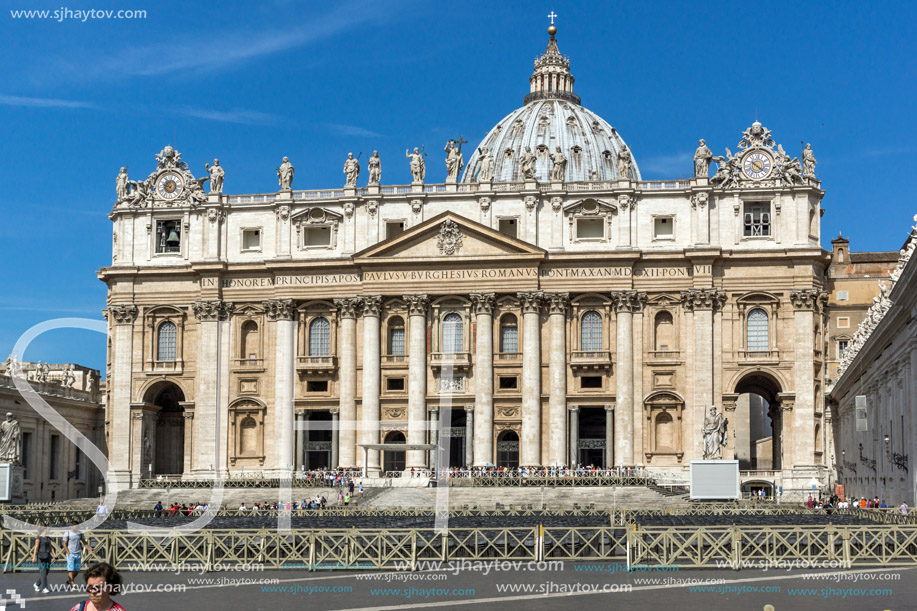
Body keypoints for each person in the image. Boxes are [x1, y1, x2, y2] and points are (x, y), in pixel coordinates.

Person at [63, 521, 93, 591]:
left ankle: (70, 581)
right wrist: (68, 552)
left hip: (78, 553)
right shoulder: (67, 533)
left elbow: (84, 542)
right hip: (71, 553)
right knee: (71, 569)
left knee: (77, 570)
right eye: (75, 527)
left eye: (77, 527)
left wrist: (89, 548)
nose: (76, 528)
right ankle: (73, 584)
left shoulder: (80, 533)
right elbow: (64, 544)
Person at [32, 525, 57, 594]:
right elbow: (36, 548)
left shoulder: (48, 538)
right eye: (48, 529)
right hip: (41, 556)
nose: (49, 530)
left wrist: (54, 555)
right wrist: (34, 557)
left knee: (46, 572)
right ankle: (44, 588)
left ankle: (36, 584)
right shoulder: (38, 538)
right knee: (43, 572)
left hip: (48, 556)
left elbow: (51, 547)